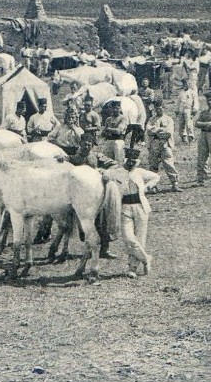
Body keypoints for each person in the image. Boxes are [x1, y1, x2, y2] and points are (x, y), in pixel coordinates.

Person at [103, 148, 160, 278]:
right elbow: (104, 174)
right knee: (129, 238)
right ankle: (146, 258)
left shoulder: (139, 172)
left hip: (141, 207)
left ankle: (132, 268)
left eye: (134, 161)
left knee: (140, 238)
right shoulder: (117, 172)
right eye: (129, 161)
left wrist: (146, 188)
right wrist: (105, 176)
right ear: (125, 160)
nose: (131, 164)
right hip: (124, 208)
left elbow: (156, 177)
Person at [70, 133, 118, 258]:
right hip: (83, 196)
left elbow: (114, 164)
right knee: (86, 222)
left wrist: (104, 171)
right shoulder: (75, 158)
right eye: (84, 144)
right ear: (80, 144)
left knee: (102, 221)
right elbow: (65, 161)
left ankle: (105, 250)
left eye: (89, 145)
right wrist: (61, 158)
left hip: (98, 193)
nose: (86, 147)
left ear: (92, 146)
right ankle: (90, 249)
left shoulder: (97, 156)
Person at [145, 99, 181, 192]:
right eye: (157, 109)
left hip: (165, 143)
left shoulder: (169, 119)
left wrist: (156, 130)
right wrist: (158, 130)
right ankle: (153, 186)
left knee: (169, 163)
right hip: (154, 143)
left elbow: (169, 132)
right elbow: (149, 131)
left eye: (160, 108)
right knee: (153, 165)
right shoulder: (151, 119)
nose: (158, 110)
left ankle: (174, 184)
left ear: (163, 108)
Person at [100, 101, 128, 166]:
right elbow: (103, 133)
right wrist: (105, 132)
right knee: (106, 161)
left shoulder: (122, 118)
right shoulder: (108, 119)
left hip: (118, 140)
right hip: (109, 141)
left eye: (117, 108)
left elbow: (119, 131)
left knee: (119, 161)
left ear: (120, 109)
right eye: (114, 108)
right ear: (111, 109)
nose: (115, 110)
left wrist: (108, 129)